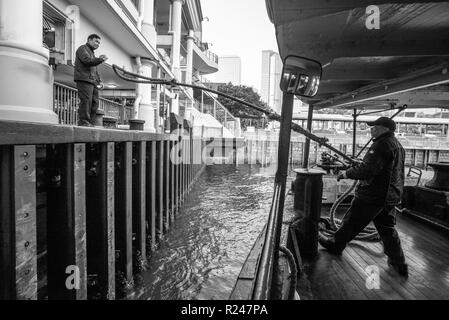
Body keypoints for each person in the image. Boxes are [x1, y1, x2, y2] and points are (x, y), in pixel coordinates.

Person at [319, 117, 408, 277]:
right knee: (387, 229)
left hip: (373, 195)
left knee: (351, 221)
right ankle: (399, 262)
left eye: (375, 126)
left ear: (385, 128)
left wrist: (346, 173)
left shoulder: (380, 145)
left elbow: (367, 170)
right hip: (390, 196)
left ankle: (335, 245)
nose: (371, 129)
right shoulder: (397, 145)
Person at [74, 34, 108, 127]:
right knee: (86, 101)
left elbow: (94, 69)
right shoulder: (82, 49)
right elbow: (87, 61)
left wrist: (99, 81)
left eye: (99, 43)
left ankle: (90, 121)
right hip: (84, 79)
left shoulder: (92, 53)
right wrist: (100, 59)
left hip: (92, 81)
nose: (98, 44)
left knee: (94, 102)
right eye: (96, 41)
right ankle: (83, 121)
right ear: (89, 40)